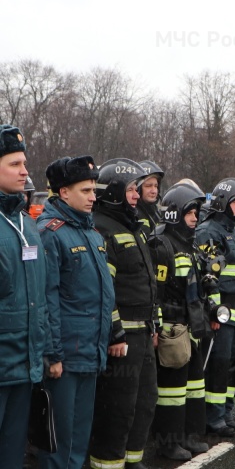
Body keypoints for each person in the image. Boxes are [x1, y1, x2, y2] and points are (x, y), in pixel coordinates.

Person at [37, 156, 115, 469]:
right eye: (85, 190)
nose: (93, 196)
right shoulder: (51, 233)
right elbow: (47, 299)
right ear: (64, 192)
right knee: (59, 440)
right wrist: (53, 355)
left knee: (79, 437)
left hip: (89, 353)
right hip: (65, 357)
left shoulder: (92, 234)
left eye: (93, 189)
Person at [89, 158, 159, 469]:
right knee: (117, 407)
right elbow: (106, 291)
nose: (136, 194)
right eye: (131, 188)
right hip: (123, 340)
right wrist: (115, 333)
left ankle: (132, 461)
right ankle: (108, 463)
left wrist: (154, 324)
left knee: (144, 402)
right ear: (114, 192)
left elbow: (148, 281)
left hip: (143, 333)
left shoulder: (134, 227)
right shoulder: (103, 229)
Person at [150, 181, 210, 460]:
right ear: (175, 214)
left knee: (195, 386)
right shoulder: (163, 245)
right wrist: (160, 326)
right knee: (172, 390)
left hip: (193, 327)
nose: (195, 218)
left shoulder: (189, 244)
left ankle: (190, 436)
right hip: (173, 328)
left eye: (197, 213)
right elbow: (158, 292)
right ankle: (168, 443)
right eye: (190, 213)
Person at [195, 178, 235, 434]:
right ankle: (213, 418)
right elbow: (207, 278)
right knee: (218, 367)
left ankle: (225, 411)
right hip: (222, 315)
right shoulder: (209, 231)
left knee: (233, 366)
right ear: (222, 202)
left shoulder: (233, 233)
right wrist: (214, 311)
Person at [0, 125, 48, 468]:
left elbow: (39, 294)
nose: (25, 171)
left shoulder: (25, 222)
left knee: (13, 455)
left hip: (22, 365)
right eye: (15, 163)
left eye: (25, 163)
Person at [137, 160, 164, 238]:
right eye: (148, 186)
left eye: (156, 186)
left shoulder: (156, 212)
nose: (154, 191)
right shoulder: (134, 214)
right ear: (138, 188)